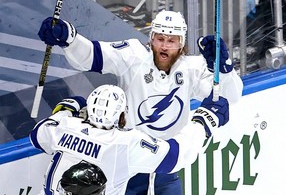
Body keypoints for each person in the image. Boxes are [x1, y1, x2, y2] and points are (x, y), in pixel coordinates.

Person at [37, 10, 243, 194]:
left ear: (181, 43)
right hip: (127, 164)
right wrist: (70, 39)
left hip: (165, 167)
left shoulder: (193, 68)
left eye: (171, 41)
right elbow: (91, 55)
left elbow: (230, 96)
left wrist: (224, 70)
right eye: (159, 38)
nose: (164, 46)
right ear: (151, 38)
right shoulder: (132, 56)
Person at [30, 84, 229, 195]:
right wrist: (204, 120)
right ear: (121, 116)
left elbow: (37, 135)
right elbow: (175, 157)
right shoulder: (124, 143)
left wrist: (67, 109)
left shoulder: (65, 127)